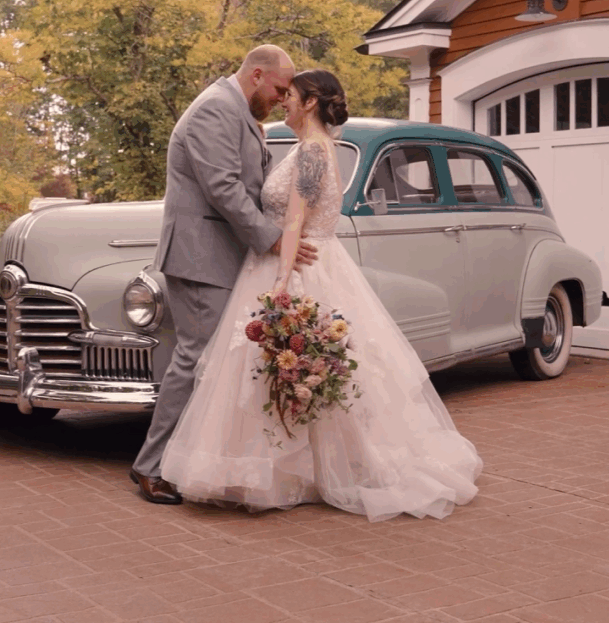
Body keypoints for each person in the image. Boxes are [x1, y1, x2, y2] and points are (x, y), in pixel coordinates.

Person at [161, 69, 483, 521]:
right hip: (287, 258)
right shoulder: (306, 147)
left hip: (298, 265)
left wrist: (281, 283)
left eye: (290, 95)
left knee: (296, 364)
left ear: (310, 102)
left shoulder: (313, 151)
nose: (284, 102)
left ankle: (300, 471)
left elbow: (295, 220)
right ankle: (292, 469)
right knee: (280, 370)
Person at [130, 45, 317, 504]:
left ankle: (189, 462)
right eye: (278, 89)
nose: (281, 98)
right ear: (257, 75)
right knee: (195, 359)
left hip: (222, 255)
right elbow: (223, 187)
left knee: (211, 362)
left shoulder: (239, 111)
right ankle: (150, 466)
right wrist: (274, 239)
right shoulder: (214, 109)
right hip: (200, 256)